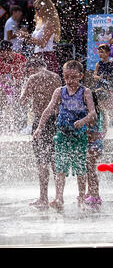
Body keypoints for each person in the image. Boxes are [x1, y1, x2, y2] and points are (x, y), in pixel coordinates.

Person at [33, 60, 96, 211]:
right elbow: (48, 110)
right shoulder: (59, 91)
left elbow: (93, 112)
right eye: (66, 77)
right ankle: (59, 198)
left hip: (79, 136)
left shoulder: (85, 92)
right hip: (61, 134)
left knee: (80, 169)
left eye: (73, 77)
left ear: (81, 76)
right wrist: (40, 127)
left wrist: (83, 120)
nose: (69, 81)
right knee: (60, 167)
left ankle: (81, 198)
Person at [19, 57, 62, 209]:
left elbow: (23, 101)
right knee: (55, 160)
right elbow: (60, 100)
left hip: (40, 123)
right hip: (56, 121)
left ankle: (43, 198)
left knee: (42, 162)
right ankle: (58, 197)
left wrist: (23, 91)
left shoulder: (33, 78)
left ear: (33, 68)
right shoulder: (56, 77)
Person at [17, 0, 61, 74]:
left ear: (45, 8)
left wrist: (27, 36)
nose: (36, 11)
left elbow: (43, 43)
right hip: (38, 55)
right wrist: (25, 37)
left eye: (38, 9)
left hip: (46, 56)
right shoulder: (41, 23)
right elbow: (35, 42)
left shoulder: (49, 23)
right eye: (35, 9)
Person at [84, 89, 108, 210]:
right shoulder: (100, 111)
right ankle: (92, 193)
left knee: (91, 170)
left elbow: (88, 129)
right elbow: (104, 128)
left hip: (92, 144)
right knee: (90, 169)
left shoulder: (91, 113)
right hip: (97, 143)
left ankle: (95, 195)